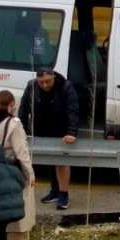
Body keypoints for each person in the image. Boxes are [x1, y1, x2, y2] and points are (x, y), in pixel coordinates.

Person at [19, 67, 78, 210]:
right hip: (42, 128)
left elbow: (73, 110)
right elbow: (23, 109)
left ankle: (63, 194)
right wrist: (20, 131)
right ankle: (55, 191)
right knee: (50, 161)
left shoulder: (65, 87)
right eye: (41, 82)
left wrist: (71, 132)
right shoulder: (32, 86)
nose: (45, 85)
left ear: (54, 78)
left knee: (61, 162)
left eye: (48, 81)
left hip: (61, 130)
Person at [0, 90, 35, 240]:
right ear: (12, 104)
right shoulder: (14, 123)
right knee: (18, 209)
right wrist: (30, 174)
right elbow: (22, 153)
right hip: (13, 170)